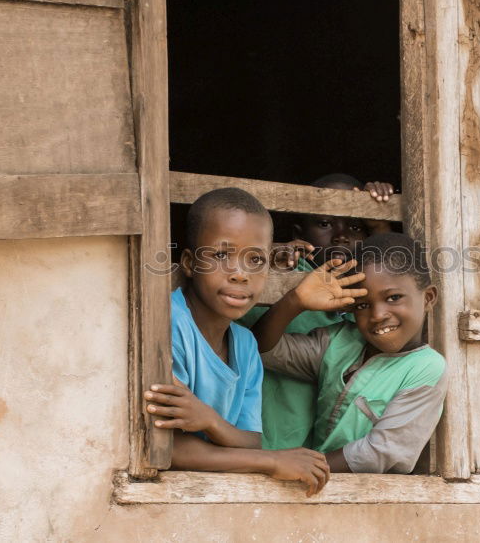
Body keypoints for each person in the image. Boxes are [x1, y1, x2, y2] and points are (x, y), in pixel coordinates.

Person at [144, 188, 360, 494]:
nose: (241, 274)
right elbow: (171, 449)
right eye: (221, 255)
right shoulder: (169, 326)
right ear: (190, 263)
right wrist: (271, 462)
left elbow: (251, 439)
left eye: (256, 260)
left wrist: (210, 422)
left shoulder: (245, 344)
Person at [253, 233, 448, 473]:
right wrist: (295, 301)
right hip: (312, 483)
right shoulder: (339, 341)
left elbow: (380, 452)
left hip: (368, 498)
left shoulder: (426, 367)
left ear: (428, 298)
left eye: (394, 298)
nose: (377, 315)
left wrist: (303, 466)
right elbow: (263, 351)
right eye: (363, 305)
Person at [237, 173, 397, 450]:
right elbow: (249, 336)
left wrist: (381, 223)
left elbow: (395, 276)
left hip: (326, 453)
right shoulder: (284, 273)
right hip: (271, 439)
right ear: (300, 234)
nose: (341, 235)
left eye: (356, 226)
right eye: (324, 223)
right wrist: (273, 266)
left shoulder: (366, 293)